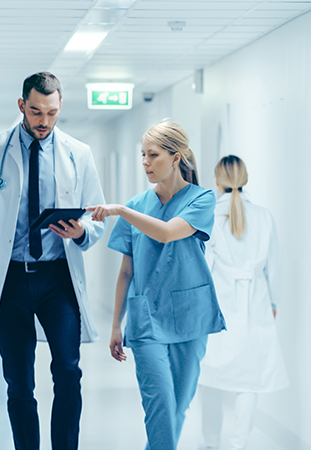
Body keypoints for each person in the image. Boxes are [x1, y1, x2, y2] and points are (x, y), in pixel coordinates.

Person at [0, 72, 107, 450]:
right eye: (36, 112)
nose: (43, 121)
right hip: (10, 280)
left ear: (60, 108)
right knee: (19, 382)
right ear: (22, 106)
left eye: (51, 113)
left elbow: (96, 215)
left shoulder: (78, 153)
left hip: (57, 278)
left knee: (68, 371)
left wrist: (81, 232)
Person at [88, 121, 226, 450]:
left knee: (177, 407)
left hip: (191, 316)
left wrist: (120, 210)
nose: (145, 162)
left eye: (153, 155)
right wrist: (115, 326)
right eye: (142, 155)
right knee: (160, 408)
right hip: (146, 317)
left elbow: (166, 232)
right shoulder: (137, 205)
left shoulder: (202, 199)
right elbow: (126, 272)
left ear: (176, 157)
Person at [197, 155, 289, 450]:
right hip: (255, 304)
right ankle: (239, 444)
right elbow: (272, 268)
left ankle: (211, 443)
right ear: (245, 178)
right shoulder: (263, 216)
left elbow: (203, 267)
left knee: (211, 376)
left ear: (217, 180)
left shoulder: (209, 214)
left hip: (217, 307)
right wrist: (272, 304)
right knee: (250, 379)